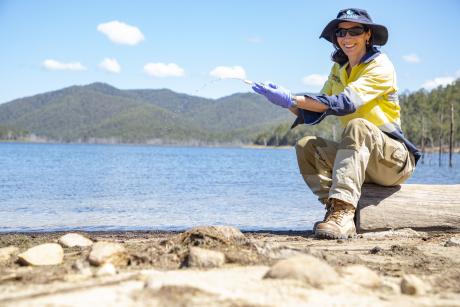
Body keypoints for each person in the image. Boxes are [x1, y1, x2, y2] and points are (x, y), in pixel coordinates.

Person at [252, 8, 421, 239]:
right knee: (307, 147)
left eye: (355, 30)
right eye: (341, 32)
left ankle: (343, 212)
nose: (347, 37)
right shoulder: (338, 70)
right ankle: (336, 209)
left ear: (367, 35)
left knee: (358, 126)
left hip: (393, 160)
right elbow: (316, 110)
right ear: (336, 38)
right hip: (360, 158)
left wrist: (293, 97)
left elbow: (344, 103)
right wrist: (284, 101)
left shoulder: (380, 65)